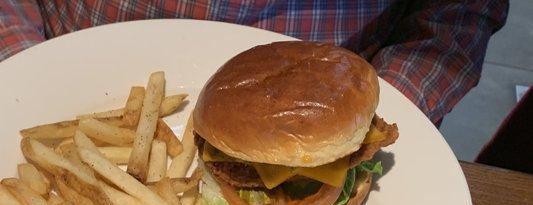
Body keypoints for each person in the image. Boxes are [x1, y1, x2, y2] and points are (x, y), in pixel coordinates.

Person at [0, 1, 508, 126]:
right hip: (55, 86)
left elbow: (456, 15)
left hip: (325, 103)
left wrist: (368, 122)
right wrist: (25, 73)